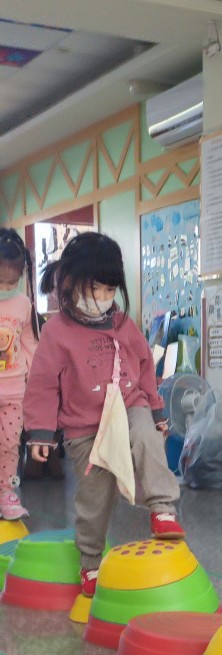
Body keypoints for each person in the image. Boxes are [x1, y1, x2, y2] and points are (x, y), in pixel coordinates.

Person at [23, 232, 183, 597]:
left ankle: (163, 508)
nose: (103, 298)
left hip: (129, 405)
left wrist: (156, 409)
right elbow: (43, 384)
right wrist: (41, 432)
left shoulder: (123, 324)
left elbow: (145, 366)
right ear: (71, 282)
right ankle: (91, 562)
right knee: (96, 496)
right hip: (86, 427)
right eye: (96, 289)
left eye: (110, 290)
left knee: (146, 436)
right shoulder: (57, 333)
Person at [0, 228, 39, 520]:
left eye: (12, 282)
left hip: (15, 392)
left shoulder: (24, 304)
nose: (6, 287)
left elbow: (30, 344)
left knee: (10, 444)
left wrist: (37, 380)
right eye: (0, 281)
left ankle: (6, 493)